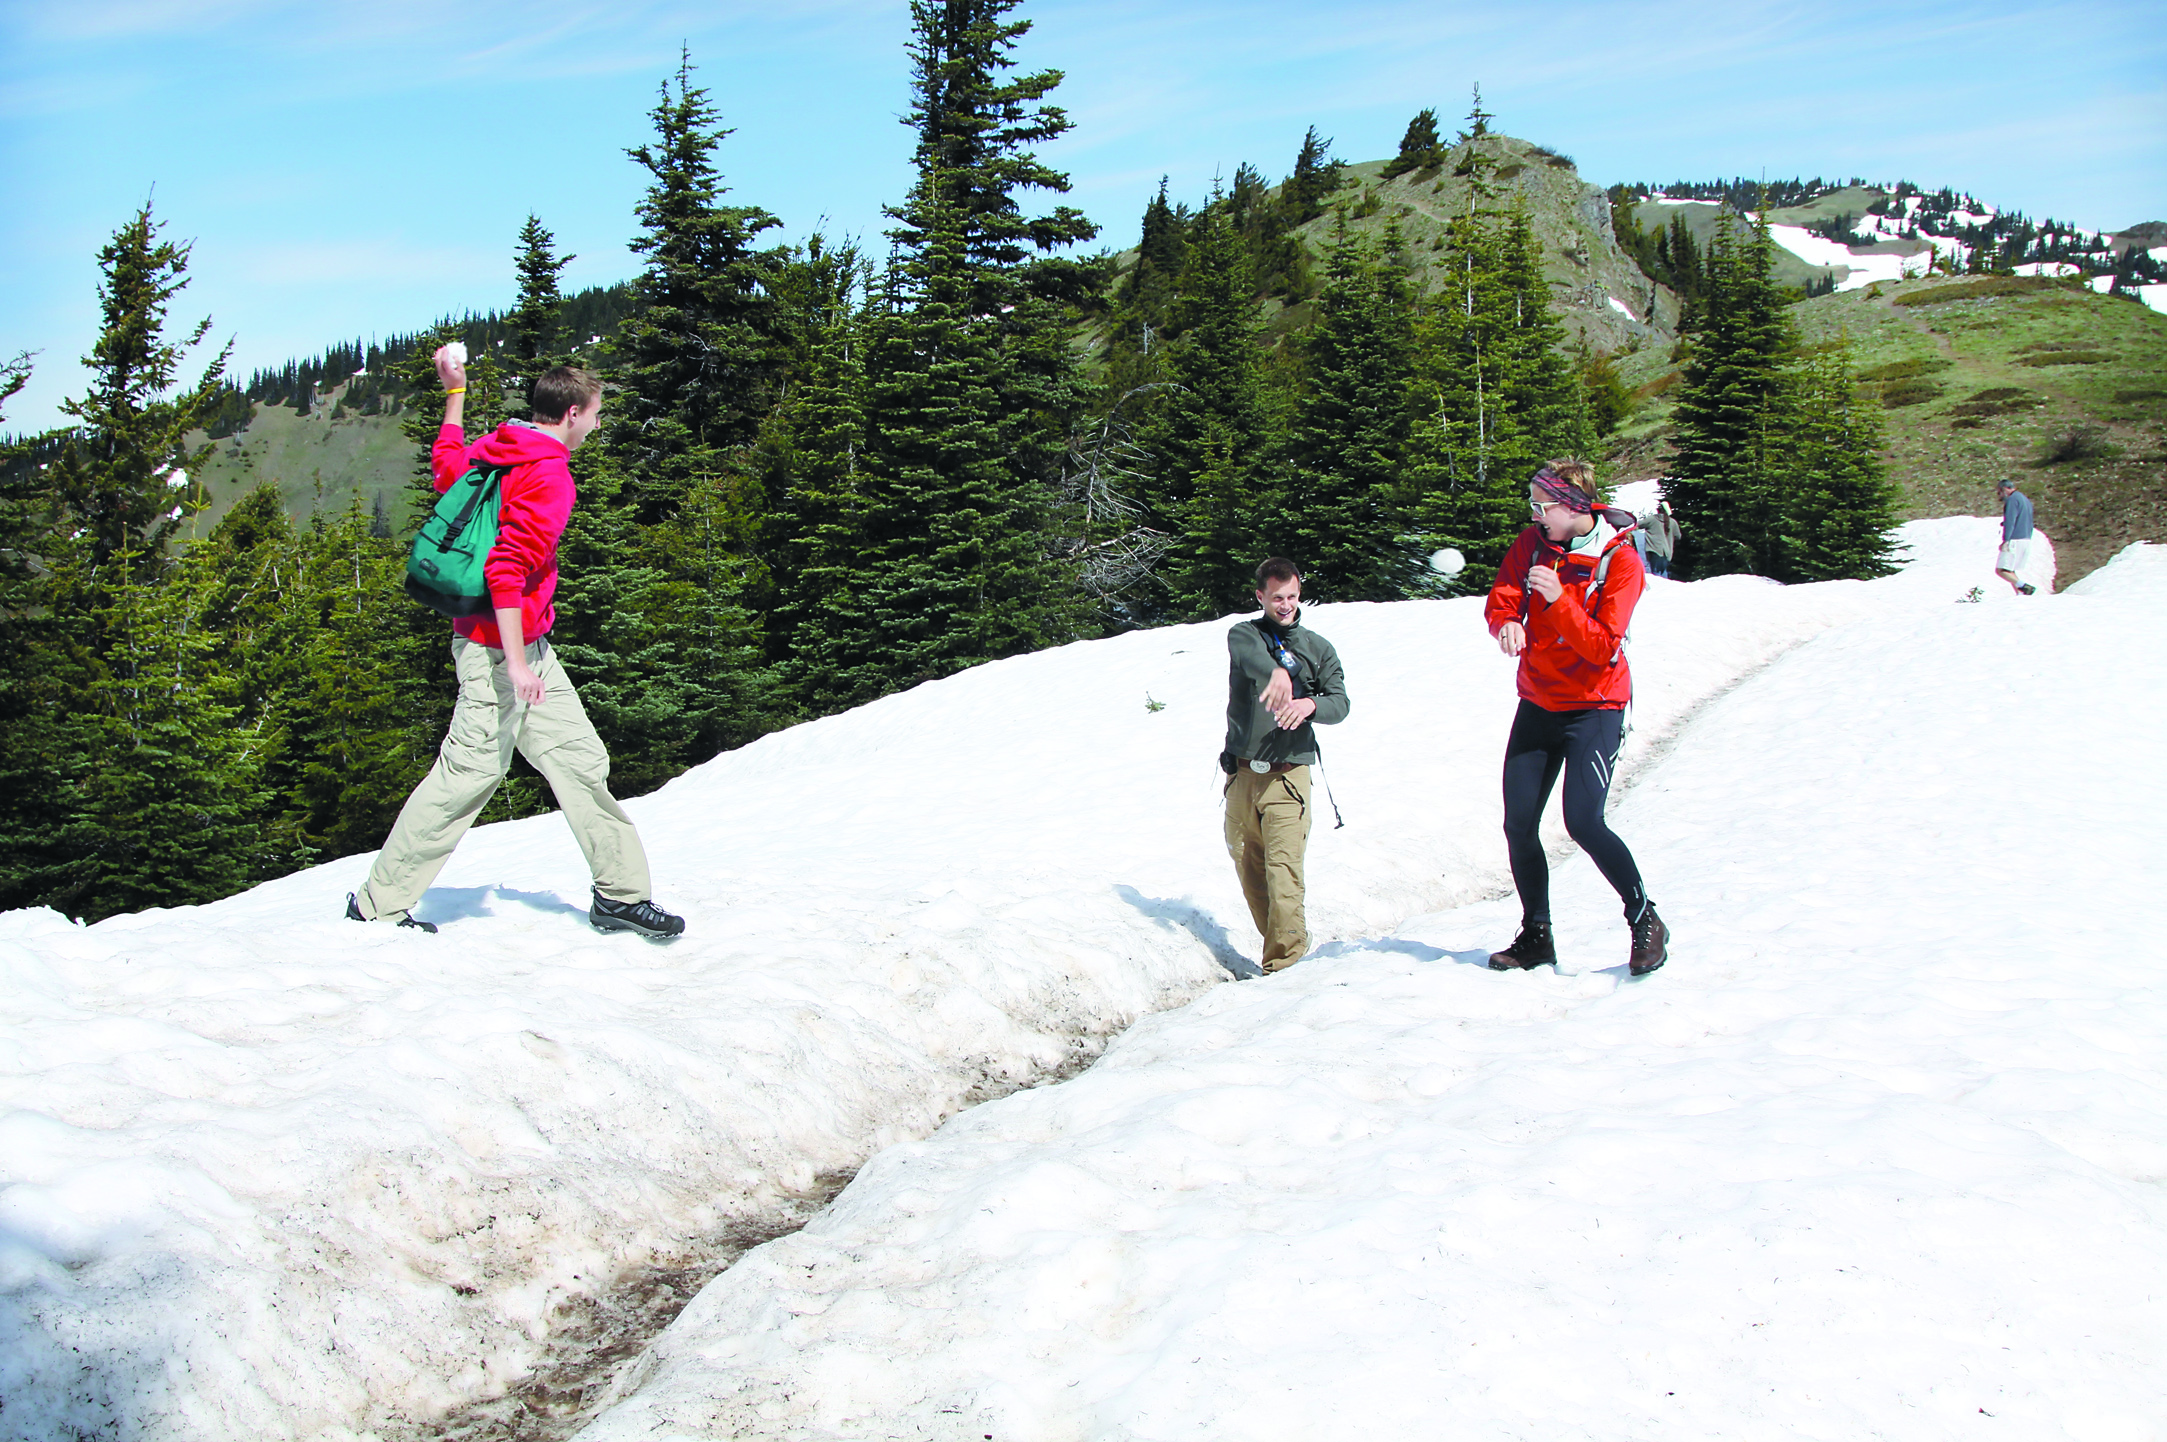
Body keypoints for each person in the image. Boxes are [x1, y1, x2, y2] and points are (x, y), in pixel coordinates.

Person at [345, 346, 685, 938]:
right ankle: (377, 904)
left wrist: (455, 392)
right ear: (573, 413)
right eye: (597, 414)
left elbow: (447, 465)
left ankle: (621, 896)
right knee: (470, 772)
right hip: (499, 648)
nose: (599, 425)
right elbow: (507, 569)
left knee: (579, 760)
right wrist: (518, 660)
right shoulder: (549, 473)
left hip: (522, 648)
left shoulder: (502, 444)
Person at [1484, 460, 1666, 977]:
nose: (1535, 514)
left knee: (1583, 821)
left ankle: (1644, 918)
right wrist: (1506, 624)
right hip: (1539, 702)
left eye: (1542, 505)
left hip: (1596, 707)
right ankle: (1536, 936)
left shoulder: (1621, 562)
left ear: (1572, 507)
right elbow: (1504, 596)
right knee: (1518, 823)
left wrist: (1558, 599)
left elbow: (1602, 647)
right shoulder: (1532, 543)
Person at [1221, 558, 1349, 974]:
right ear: (1260, 596)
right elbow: (1252, 659)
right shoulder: (1245, 635)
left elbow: (1340, 702)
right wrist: (1274, 672)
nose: (1286, 605)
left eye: (1292, 596)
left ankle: (1284, 968)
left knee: (1283, 872)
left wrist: (1310, 704)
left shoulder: (1318, 648)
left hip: (1288, 776)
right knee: (1248, 866)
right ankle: (1284, 940)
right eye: (1277, 598)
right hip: (1242, 775)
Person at [1995, 478, 2037, 595]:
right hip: (2026, 538)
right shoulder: (2025, 500)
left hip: (2015, 539)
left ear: (2004, 489)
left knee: (2001, 570)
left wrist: (2006, 540)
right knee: (2010, 570)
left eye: (1999, 492)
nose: (2000, 496)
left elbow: (2010, 521)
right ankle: (2020, 593)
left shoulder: (2012, 500)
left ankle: (2025, 587)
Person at [1642, 499, 1680, 579]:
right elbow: (1678, 536)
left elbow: (1638, 525)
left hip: (1654, 550)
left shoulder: (1652, 519)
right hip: (1667, 552)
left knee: (1655, 575)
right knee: (1664, 573)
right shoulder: (1673, 522)